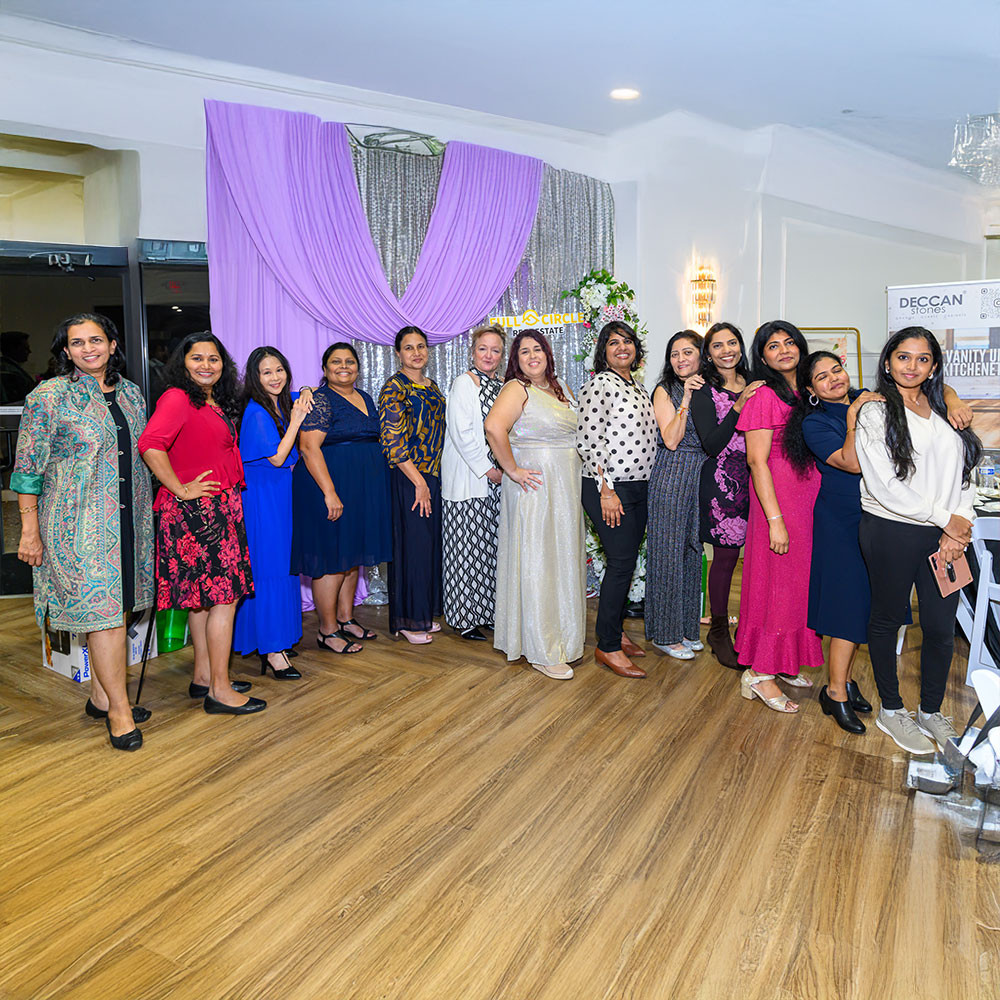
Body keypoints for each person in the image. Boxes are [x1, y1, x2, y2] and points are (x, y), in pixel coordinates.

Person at [13, 313, 154, 750]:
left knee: (120, 610)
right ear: (66, 351)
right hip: (79, 527)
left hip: (130, 523)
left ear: (112, 345)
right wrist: (29, 531)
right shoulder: (49, 396)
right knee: (104, 616)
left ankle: (101, 696)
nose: (88, 348)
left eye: (96, 340)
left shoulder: (131, 394)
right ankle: (119, 712)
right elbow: (27, 469)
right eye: (77, 343)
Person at [855, 327, 981, 754]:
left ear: (933, 365)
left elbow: (964, 472)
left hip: (945, 535)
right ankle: (892, 710)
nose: (912, 366)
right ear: (888, 361)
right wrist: (948, 521)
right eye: (903, 357)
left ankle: (930, 710)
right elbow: (885, 486)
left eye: (922, 358)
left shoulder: (944, 407)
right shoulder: (875, 412)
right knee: (889, 618)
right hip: (891, 529)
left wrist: (959, 523)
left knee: (941, 628)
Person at [138, 332, 266, 716]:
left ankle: (204, 676)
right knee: (224, 598)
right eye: (197, 358)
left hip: (216, 505)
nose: (206, 365)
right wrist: (180, 488)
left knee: (202, 600)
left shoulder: (210, 400)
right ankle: (220, 691)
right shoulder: (177, 398)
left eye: (214, 359)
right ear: (183, 362)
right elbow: (149, 444)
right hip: (199, 511)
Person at [485, 329, 586, 679]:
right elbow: (493, 427)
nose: (532, 356)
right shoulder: (517, 388)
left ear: (547, 354)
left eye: (537, 349)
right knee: (538, 561)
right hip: (535, 489)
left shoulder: (561, 388)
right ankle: (542, 647)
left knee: (562, 561)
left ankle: (565, 639)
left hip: (566, 488)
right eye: (524, 351)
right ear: (517, 359)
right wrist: (511, 469)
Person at [735, 320, 823, 713]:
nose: (784, 350)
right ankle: (760, 673)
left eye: (790, 342)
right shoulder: (763, 396)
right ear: (762, 356)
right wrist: (775, 520)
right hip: (778, 506)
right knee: (775, 587)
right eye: (773, 346)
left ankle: (784, 660)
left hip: (808, 506)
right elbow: (757, 462)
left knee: (798, 588)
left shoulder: (808, 392)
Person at [292, 342, 390, 652]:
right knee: (332, 560)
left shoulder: (365, 397)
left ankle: (346, 619)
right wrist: (330, 492)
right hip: (329, 486)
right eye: (336, 362)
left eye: (350, 361)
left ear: (358, 368)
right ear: (325, 369)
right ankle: (327, 630)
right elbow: (308, 448)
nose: (344, 366)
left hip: (360, 487)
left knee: (351, 557)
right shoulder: (320, 400)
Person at [576, 320, 656, 678]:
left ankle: (615, 630)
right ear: (603, 352)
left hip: (638, 486)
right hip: (610, 487)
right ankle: (607, 645)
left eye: (627, 341)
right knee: (622, 562)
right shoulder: (599, 385)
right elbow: (589, 442)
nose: (622, 347)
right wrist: (605, 490)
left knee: (623, 563)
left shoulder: (637, 387)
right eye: (613, 343)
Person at [233, 346, 312, 678]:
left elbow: (307, 392)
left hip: (280, 495)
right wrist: (296, 420)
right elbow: (278, 458)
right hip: (262, 499)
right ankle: (272, 649)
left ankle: (271, 636)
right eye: (267, 372)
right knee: (269, 570)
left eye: (279, 370)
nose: (275, 377)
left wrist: (304, 390)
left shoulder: (278, 401)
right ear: (255, 377)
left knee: (283, 568)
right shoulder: (256, 412)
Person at [689, 322, 764, 669]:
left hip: (761, 479)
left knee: (761, 560)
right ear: (708, 354)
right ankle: (718, 632)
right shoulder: (704, 391)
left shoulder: (757, 382)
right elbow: (712, 444)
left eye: (731, 343)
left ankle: (756, 631)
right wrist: (738, 406)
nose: (726, 350)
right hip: (723, 484)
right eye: (717, 346)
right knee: (725, 560)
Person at [379, 326, 446, 643]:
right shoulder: (394, 387)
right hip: (409, 477)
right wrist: (418, 482)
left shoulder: (432, 386)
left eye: (421, 346)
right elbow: (392, 442)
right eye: (409, 347)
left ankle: (423, 613)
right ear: (398, 353)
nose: (416, 353)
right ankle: (407, 621)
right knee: (411, 548)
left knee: (427, 547)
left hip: (432, 475)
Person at [441, 325, 506, 641]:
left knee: (489, 551)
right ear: (472, 352)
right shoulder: (464, 383)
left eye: (495, 350)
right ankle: (464, 618)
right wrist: (487, 469)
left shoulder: (503, 385)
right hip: (470, 480)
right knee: (464, 550)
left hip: (498, 481)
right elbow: (461, 432)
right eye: (483, 349)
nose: (489, 355)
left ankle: (488, 613)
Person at [645, 330, 707, 660]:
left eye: (687, 352)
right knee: (667, 555)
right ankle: (665, 634)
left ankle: (686, 629)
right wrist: (685, 400)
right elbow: (670, 439)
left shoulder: (709, 388)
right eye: (674, 354)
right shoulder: (665, 390)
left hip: (699, 475)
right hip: (671, 473)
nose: (681, 359)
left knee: (692, 554)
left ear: (701, 355)